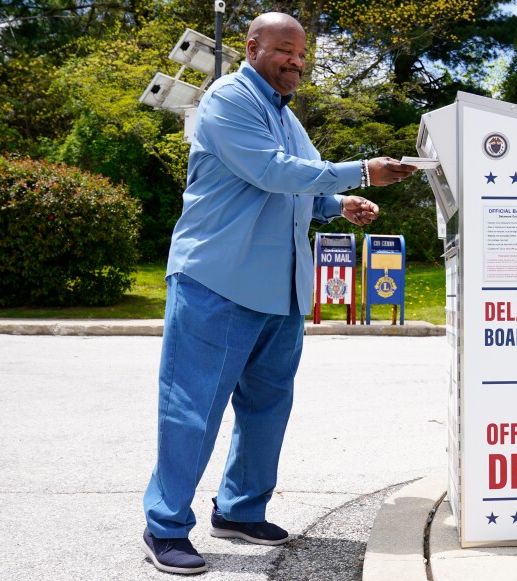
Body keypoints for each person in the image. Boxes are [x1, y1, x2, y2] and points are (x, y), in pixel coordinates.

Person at [141, 12, 417, 575]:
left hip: (281, 290)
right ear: (252, 47)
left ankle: (240, 510)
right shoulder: (228, 100)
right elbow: (272, 173)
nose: (296, 61)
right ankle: (164, 526)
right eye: (285, 50)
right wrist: (361, 172)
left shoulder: (288, 119)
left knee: (267, 409)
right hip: (217, 281)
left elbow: (303, 182)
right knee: (193, 409)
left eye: (301, 54)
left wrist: (338, 204)